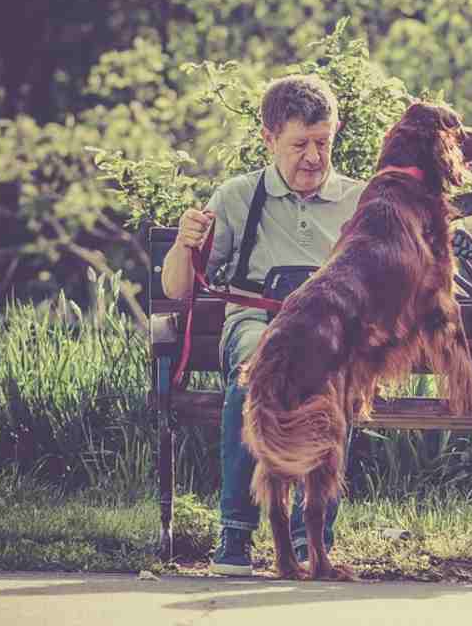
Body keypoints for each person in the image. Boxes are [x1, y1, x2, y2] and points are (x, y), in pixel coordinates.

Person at [161, 74, 366, 576]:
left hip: (326, 331)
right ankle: (235, 534)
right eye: (300, 145)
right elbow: (177, 289)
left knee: (333, 384)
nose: (314, 158)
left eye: (324, 143)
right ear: (269, 140)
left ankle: (310, 537)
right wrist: (185, 244)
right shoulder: (236, 196)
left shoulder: (357, 199)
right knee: (255, 373)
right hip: (258, 319)